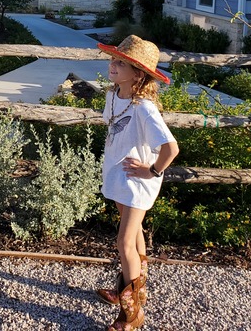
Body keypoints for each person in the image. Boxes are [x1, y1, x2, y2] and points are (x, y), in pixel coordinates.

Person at [94, 35, 179, 330]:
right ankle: (131, 290)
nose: (113, 65)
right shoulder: (114, 95)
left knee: (124, 242)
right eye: (114, 59)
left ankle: (132, 314)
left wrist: (152, 171)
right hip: (120, 176)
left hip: (137, 182)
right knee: (134, 237)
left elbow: (171, 149)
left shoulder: (144, 108)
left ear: (138, 74)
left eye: (122, 62)